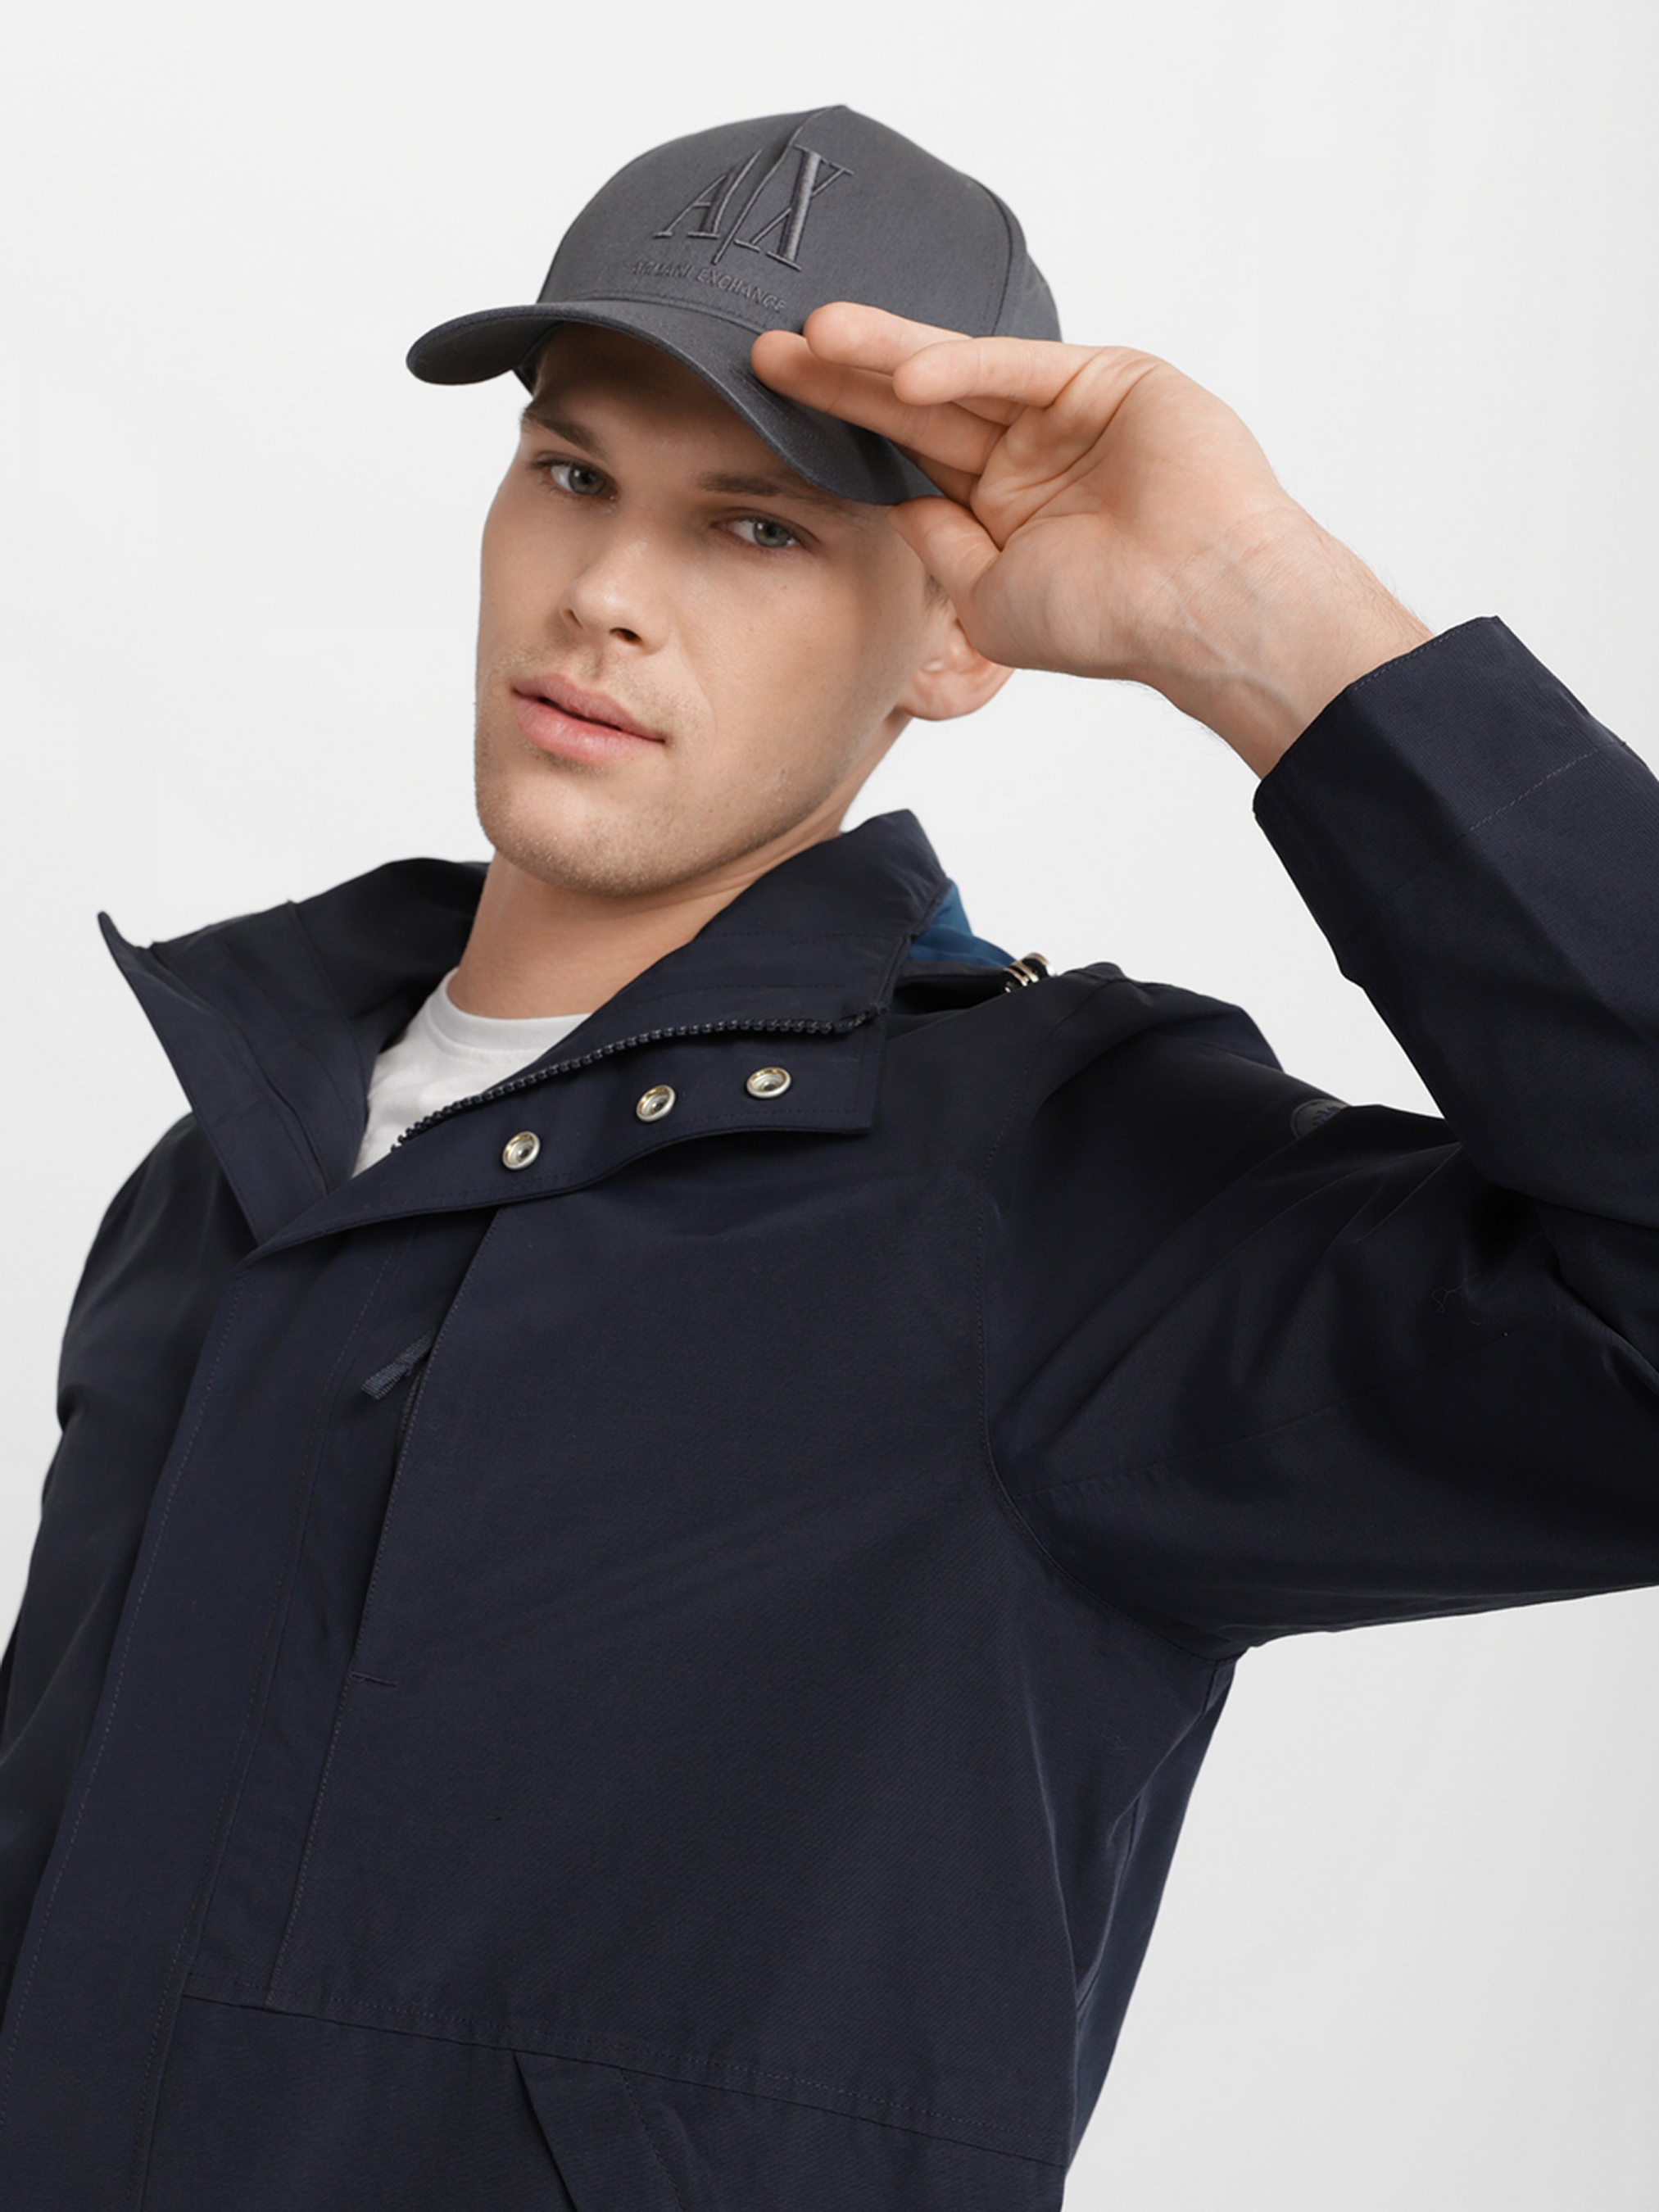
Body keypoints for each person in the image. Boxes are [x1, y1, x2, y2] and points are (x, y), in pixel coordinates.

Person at [1, 102, 1654, 2211]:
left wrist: (1259, 614)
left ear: (953, 637)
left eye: (757, 528)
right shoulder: (231, 1163)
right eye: (571, 475)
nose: (605, 595)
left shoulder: (1060, 1202)